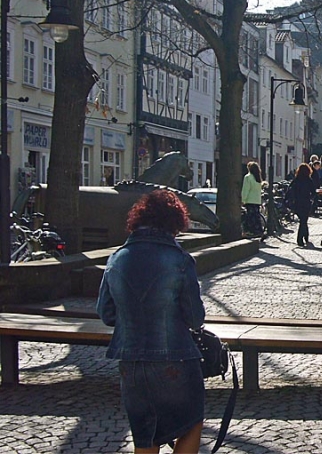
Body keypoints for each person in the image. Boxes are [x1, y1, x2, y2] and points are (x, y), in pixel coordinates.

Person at [97, 190, 206, 454]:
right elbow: (195, 318)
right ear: (175, 223)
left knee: (146, 438)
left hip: (130, 362)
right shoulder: (180, 260)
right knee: (191, 424)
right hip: (175, 359)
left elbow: (106, 313)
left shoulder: (116, 259)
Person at [288, 163, 317, 247]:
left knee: (303, 220)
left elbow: (290, 189)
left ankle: (305, 237)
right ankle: (300, 239)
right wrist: (311, 198)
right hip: (306, 202)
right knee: (304, 221)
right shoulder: (309, 180)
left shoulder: (296, 180)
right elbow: (313, 192)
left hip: (297, 203)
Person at [241, 161, 264, 237]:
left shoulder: (248, 177)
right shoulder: (258, 178)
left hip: (250, 200)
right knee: (256, 217)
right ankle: (258, 231)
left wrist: (243, 200)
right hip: (257, 201)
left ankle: (250, 231)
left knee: (249, 217)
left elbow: (246, 190)